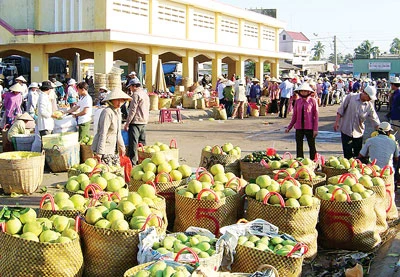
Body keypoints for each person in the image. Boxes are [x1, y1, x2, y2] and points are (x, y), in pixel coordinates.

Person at [334, 86, 380, 159]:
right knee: (347, 154)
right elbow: (341, 110)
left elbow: (375, 119)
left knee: (358, 155)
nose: (370, 99)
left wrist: (380, 130)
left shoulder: (369, 106)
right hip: (346, 131)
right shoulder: (351, 97)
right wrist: (337, 122)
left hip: (358, 133)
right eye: (369, 97)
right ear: (364, 93)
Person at [92, 88, 130, 166]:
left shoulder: (118, 112)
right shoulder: (107, 112)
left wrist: (122, 147)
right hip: (105, 149)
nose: (119, 103)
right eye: (117, 100)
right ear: (111, 100)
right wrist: (99, 152)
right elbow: (103, 133)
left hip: (113, 149)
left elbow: (118, 132)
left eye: (122, 100)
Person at [285, 83, 319, 159]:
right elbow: (294, 116)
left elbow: (316, 116)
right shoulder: (297, 101)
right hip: (299, 127)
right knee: (299, 146)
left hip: (310, 127)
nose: (303, 92)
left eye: (305, 91)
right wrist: (289, 127)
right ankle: (300, 162)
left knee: (312, 146)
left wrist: (315, 129)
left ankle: (314, 162)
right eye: (302, 91)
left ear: (308, 92)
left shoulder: (313, 101)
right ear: (299, 92)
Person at [123, 78, 150, 165]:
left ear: (134, 86)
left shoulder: (136, 95)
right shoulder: (145, 94)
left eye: (130, 87)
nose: (130, 88)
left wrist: (127, 123)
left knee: (133, 144)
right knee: (142, 143)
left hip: (136, 122)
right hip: (144, 121)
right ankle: (144, 161)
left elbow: (132, 110)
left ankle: (133, 163)